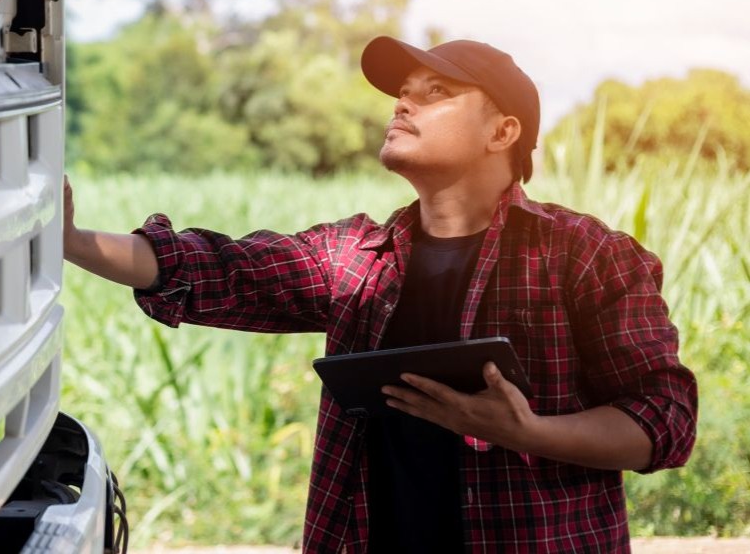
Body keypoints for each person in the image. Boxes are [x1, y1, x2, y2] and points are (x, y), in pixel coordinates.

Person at [62, 37, 697, 553]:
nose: (402, 105)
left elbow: (664, 419)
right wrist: (70, 239)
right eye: (402, 94)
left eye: (436, 92)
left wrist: (526, 431)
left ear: (502, 132)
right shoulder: (355, 258)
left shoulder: (583, 256)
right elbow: (220, 267)